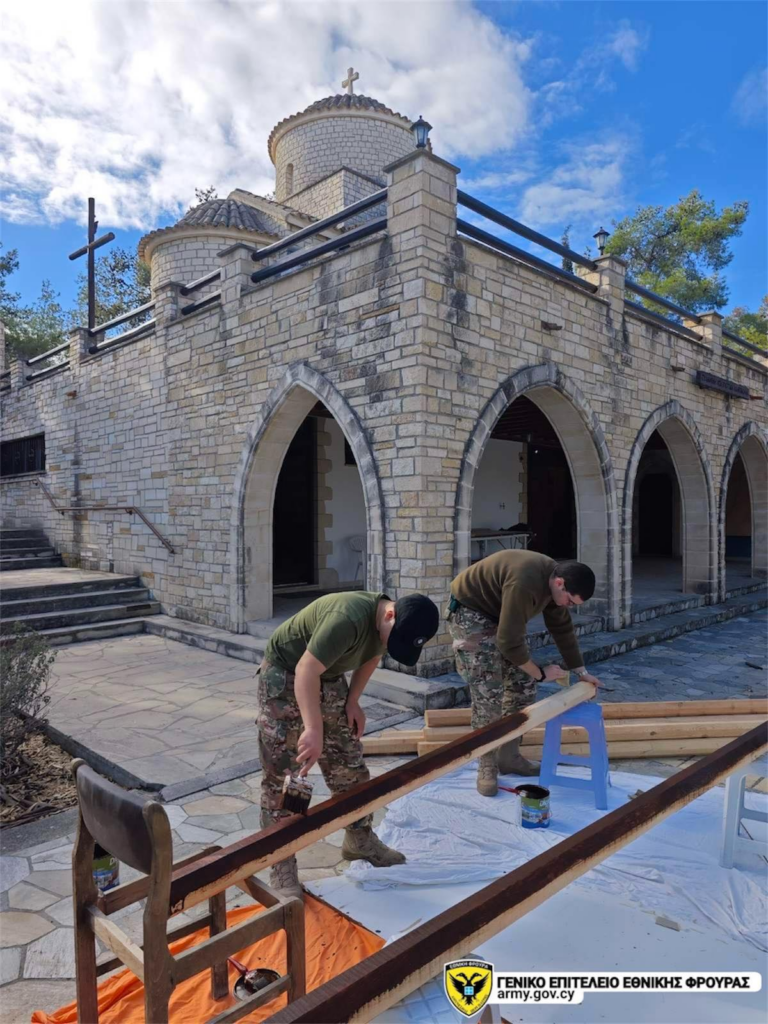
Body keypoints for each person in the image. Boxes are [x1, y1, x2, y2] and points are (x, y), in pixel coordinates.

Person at [258, 589, 440, 897]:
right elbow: (305, 670)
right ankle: (281, 861)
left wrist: (353, 700)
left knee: (349, 763)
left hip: (328, 676)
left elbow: (372, 655)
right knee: (283, 774)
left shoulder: (387, 626)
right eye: (393, 638)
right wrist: (313, 728)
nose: (389, 645)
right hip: (287, 673)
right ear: (390, 614)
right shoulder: (346, 618)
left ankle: (359, 839)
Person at [447, 551, 601, 797]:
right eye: (570, 602)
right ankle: (487, 762)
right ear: (560, 583)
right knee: (489, 693)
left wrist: (582, 672)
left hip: (499, 610)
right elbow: (509, 642)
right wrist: (540, 673)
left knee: (523, 685)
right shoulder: (525, 583)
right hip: (471, 611)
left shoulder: (555, 587)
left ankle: (508, 756)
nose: (568, 606)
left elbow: (562, 629)